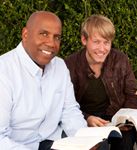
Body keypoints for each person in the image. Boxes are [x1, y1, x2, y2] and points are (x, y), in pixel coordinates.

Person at [0, 11, 87, 150]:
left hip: (51, 141)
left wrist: (85, 141)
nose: (51, 43)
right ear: (25, 34)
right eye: (44, 34)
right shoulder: (4, 71)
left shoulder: (59, 66)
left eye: (57, 37)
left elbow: (69, 111)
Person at [64, 14, 137, 150]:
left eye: (106, 43)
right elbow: (65, 105)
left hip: (116, 118)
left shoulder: (120, 59)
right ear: (84, 40)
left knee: (125, 143)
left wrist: (125, 119)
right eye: (96, 42)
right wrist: (86, 118)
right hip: (86, 119)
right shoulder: (70, 64)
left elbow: (132, 93)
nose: (102, 49)